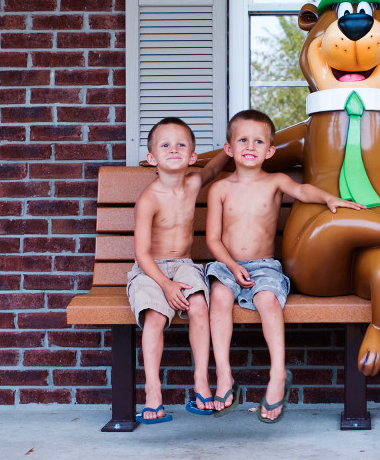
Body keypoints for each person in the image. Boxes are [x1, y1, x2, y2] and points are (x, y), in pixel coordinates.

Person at [205, 109, 365, 422]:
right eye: (243, 140)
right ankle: (224, 375)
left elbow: (303, 191)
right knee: (219, 298)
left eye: (258, 141)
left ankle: (277, 373)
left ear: (270, 151)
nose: (250, 146)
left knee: (267, 300)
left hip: (264, 267)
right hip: (226, 264)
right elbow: (212, 239)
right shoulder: (220, 189)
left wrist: (329, 199)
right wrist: (230, 266)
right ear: (229, 149)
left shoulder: (276, 181)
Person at [129, 117, 230, 423]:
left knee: (199, 305)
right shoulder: (148, 199)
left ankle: (201, 382)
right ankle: (153, 391)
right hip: (150, 269)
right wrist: (166, 285)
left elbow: (215, 168)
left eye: (181, 144)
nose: (173, 149)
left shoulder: (194, 182)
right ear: (152, 158)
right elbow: (141, 253)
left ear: (192, 156)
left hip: (184, 265)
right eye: (165, 145)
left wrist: (233, 141)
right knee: (156, 316)